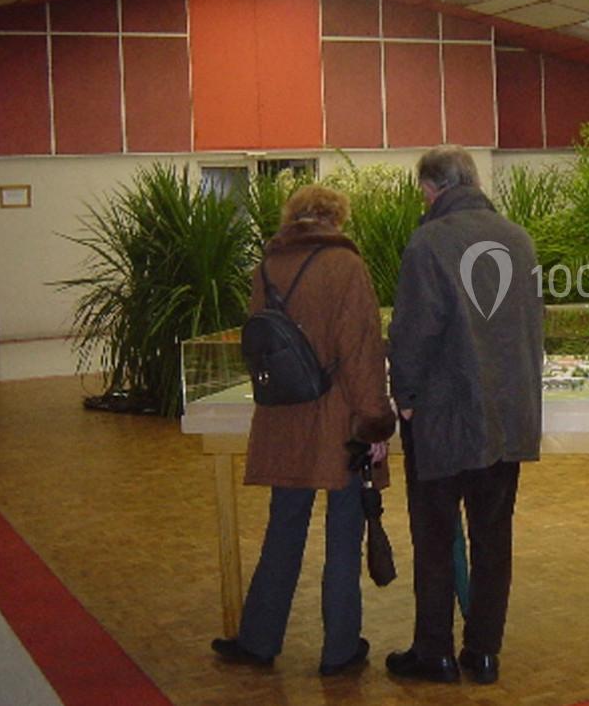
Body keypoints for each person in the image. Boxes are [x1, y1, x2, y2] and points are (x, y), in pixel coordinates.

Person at [211, 184, 397, 676]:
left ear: (293, 218)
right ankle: (338, 650)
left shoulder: (268, 267)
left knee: (283, 528)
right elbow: (361, 350)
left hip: (282, 417)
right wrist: (375, 421)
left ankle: (258, 638)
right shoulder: (347, 267)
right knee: (343, 533)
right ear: (336, 219)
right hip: (337, 418)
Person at [385, 146, 543, 686]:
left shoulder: (428, 242)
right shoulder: (519, 238)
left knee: (434, 537)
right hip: (505, 417)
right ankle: (484, 653)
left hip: (442, 419)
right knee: (493, 538)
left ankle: (436, 653)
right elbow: (530, 330)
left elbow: (412, 331)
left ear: (431, 190)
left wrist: (403, 393)